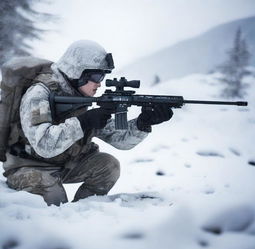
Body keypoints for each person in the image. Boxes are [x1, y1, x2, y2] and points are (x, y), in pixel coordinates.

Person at [2, 40, 173, 206]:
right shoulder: (39, 94)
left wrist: (142, 123)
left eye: (103, 76)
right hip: (28, 166)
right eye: (96, 76)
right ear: (78, 72)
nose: (99, 83)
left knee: (108, 166)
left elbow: (119, 139)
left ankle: (85, 210)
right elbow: (43, 144)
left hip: (64, 164)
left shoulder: (81, 97)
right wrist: (84, 121)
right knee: (55, 202)